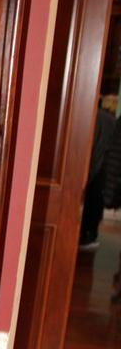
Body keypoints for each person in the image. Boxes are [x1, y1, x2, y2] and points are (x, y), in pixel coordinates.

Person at [79, 103, 116, 250]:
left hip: (97, 165)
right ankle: (88, 235)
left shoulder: (90, 117)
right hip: (103, 167)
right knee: (95, 202)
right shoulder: (110, 121)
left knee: (92, 200)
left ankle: (86, 235)